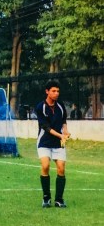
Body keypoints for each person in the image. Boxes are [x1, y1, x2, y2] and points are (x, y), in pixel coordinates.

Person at [35, 80, 71, 208]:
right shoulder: (40, 107)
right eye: (53, 91)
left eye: (58, 91)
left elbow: (63, 120)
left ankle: (59, 200)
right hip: (44, 141)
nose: (56, 93)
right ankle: (46, 198)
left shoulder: (60, 105)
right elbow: (46, 127)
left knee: (61, 168)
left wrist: (65, 131)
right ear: (47, 92)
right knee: (45, 166)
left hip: (58, 143)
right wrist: (61, 135)